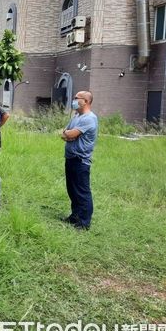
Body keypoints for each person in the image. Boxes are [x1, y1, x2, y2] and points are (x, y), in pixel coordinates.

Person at [61, 91, 98, 230]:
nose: (74, 100)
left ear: (86, 101)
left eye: (77, 98)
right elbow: (66, 133)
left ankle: (84, 222)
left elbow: (71, 133)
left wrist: (69, 134)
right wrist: (68, 134)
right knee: (72, 190)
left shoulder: (89, 118)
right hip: (70, 158)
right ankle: (75, 216)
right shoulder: (77, 116)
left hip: (80, 160)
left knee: (82, 191)